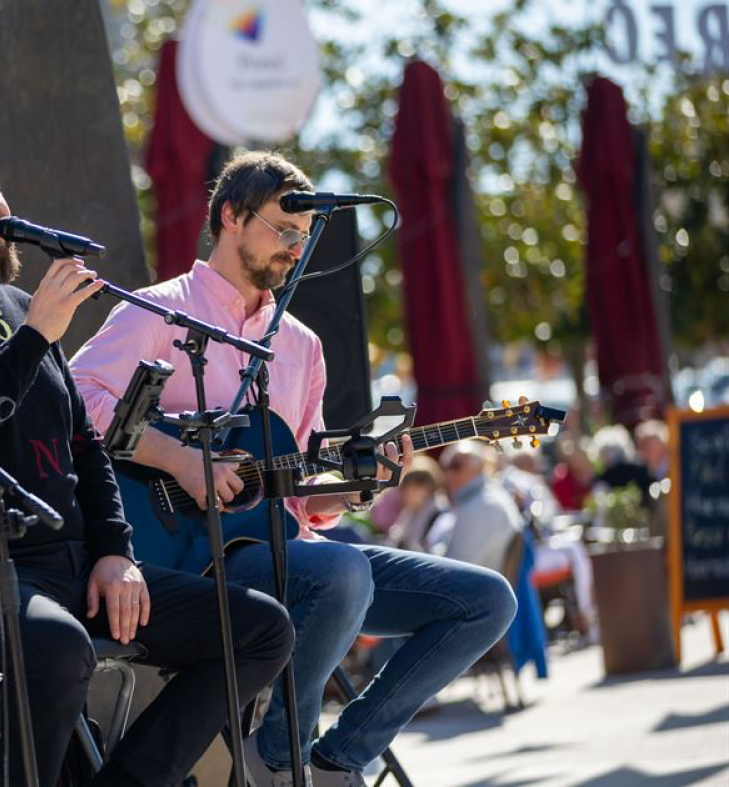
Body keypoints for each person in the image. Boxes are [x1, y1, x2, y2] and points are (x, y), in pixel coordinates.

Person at [70, 150, 517, 787]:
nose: (295, 248)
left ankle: (336, 758)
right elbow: (75, 399)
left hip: (292, 555)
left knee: (485, 600)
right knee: (341, 570)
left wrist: (354, 487)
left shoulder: (301, 345)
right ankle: (281, 761)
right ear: (230, 216)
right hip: (188, 560)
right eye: (282, 230)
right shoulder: (157, 310)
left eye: (303, 237)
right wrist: (180, 459)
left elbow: (299, 488)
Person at [0, 142, 295, 786]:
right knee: (57, 645)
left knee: (261, 629)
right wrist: (35, 336)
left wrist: (116, 552)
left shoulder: (21, 306)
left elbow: (85, 446)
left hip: (66, 565)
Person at [426, 442, 523, 572]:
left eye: (456, 466)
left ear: (478, 467)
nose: (449, 474)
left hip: (474, 583)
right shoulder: (481, 498)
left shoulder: (483, 505)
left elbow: (456, 568)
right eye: (445, 468)